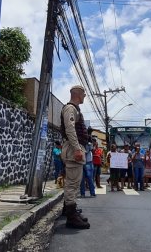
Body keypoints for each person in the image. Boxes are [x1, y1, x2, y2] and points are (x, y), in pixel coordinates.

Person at [60, 85, 90, 229]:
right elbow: (70, 129)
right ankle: (71, 218)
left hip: (75, 149)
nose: (85, 96)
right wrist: (77, 149)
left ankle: (69, 210)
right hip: (73, 150)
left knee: (74, 182)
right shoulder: (70, 108)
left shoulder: (74, 109)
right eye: (83, 93)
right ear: (78, 94)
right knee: (72, 184)